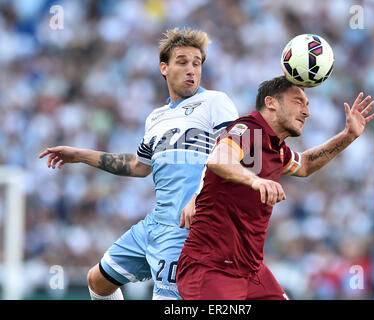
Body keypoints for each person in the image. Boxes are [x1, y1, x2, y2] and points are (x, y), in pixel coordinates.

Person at [38, 27, 239, 300]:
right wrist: (80, 155)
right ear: (164, 68)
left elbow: (234, 153)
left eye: (197, 63)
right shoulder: (156, 118)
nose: (192, 69)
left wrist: (199, 196)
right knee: (97, 281)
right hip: (154, 225)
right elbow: (137, 165)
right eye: (182, 62)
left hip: (187, 229)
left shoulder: (215, 102)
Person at [176, 76, 374, 300]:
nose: (306, 112)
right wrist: (255, 180)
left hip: (250, 271)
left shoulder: (276, 149)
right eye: (298, 102)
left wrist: (348, 135)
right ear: (271, 103)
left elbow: (305, 165)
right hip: (211, 268)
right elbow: (219, 160)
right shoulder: (248, 130)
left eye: (308, 105)